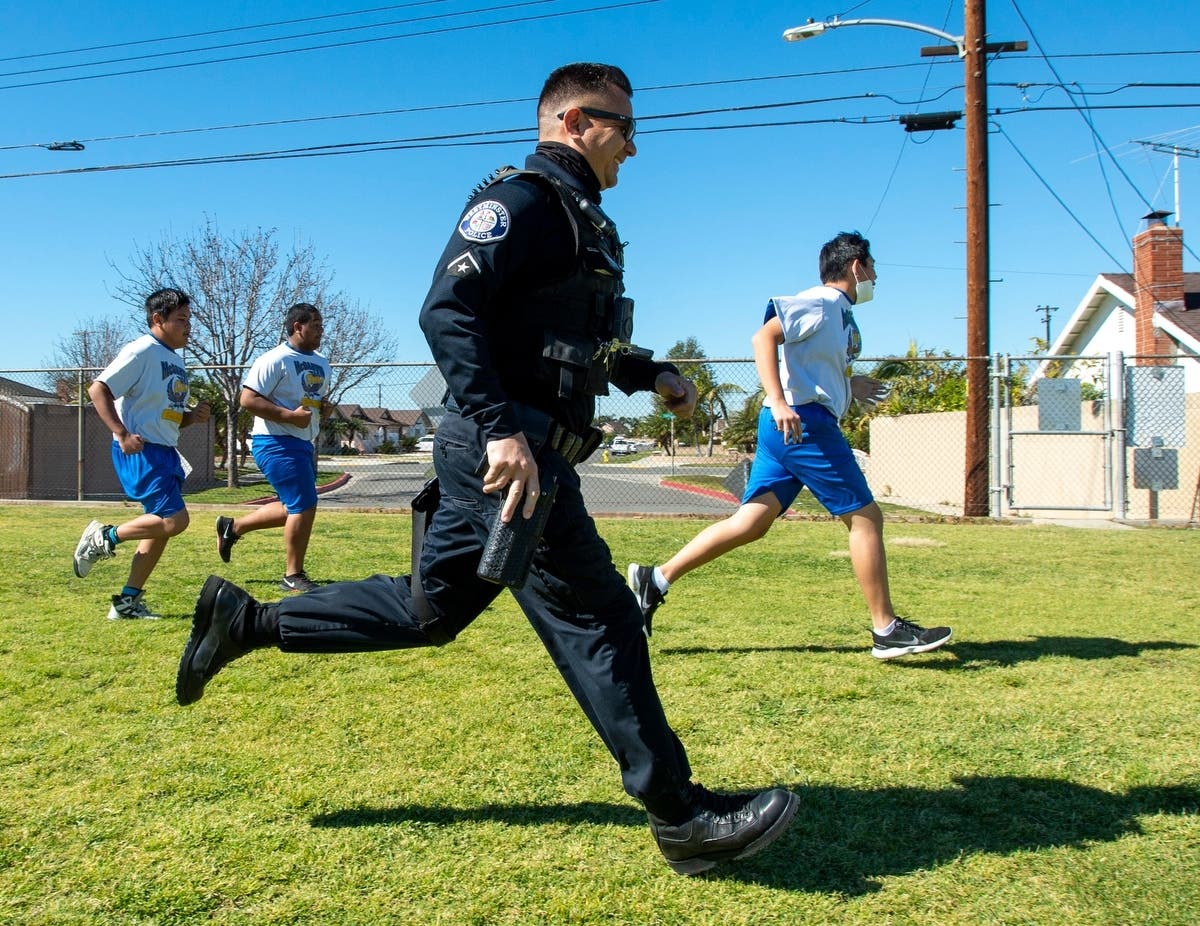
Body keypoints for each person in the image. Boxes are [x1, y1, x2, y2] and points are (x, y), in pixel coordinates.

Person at [175, 62, 798, 876]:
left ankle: (247, 621)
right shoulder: (526, 201)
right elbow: (447, 310)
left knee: (429, 610)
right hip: (511, 458)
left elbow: (564, 341)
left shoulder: (578, 219)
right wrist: (503, 431)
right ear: (574, 120)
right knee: (601, 617)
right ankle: (679, 815)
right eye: (624, 127)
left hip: (510, 451)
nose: (634, 149)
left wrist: (649, 376)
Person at [628, 231, 953, 659]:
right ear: (856, 267)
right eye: (872, 267)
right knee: (866, 518)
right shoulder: (821, 302)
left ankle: (656, 579)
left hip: (789, 423)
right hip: (804, 424)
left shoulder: (837, 314)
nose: (875, 276)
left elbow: (808, 367)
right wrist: (780, 401)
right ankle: (886, 630)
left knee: (752, 523)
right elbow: (763, 338)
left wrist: (847, 384)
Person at [72, 288, 211, 619]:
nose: (188, 326)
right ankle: (103, 537)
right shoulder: (142, 350)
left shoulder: (174, 359)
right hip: (142, 451)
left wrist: (192, 417)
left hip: (165, 451)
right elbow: (98, 389)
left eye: (189, 319)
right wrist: (120, 434)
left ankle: (126, 603)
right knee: (173, 521)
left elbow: (163, 411)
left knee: (159, 528)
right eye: (181, 319)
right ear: (157, 320)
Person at [215, 303, 331, 592]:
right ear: (297, 327)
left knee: (294, 506)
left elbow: (309, 402)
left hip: (303, 443)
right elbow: (248, 399)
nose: (321, 330)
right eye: (315, 325)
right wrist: (289, 417)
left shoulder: (322, 362)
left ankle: (233, 528)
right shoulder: (275, 359)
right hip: (275, 442)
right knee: (303, 505)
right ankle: (293, 575)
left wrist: (322, 410)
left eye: (321, 325)